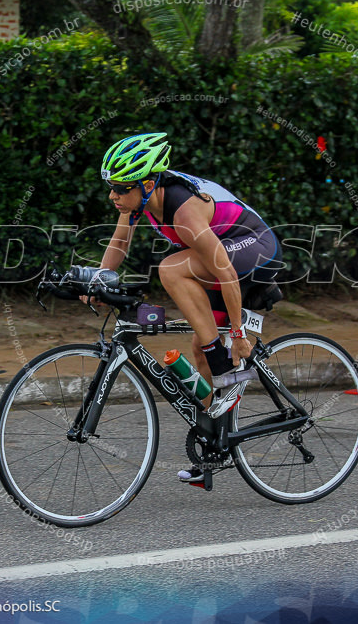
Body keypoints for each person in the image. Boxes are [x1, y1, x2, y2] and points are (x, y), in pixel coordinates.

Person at [94, 133, 282, 479]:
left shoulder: (184, 210)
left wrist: (239, 332)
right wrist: (99, 279)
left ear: (148, 184)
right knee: (198, 346)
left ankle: (226, 360)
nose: (113, 195)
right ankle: (215, 444)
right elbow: (120, 242)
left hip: (255, 248)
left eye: (122, 188)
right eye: (112, 187)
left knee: (170, 269)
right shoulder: (139, 203)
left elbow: (223, 268)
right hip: (221, 255)